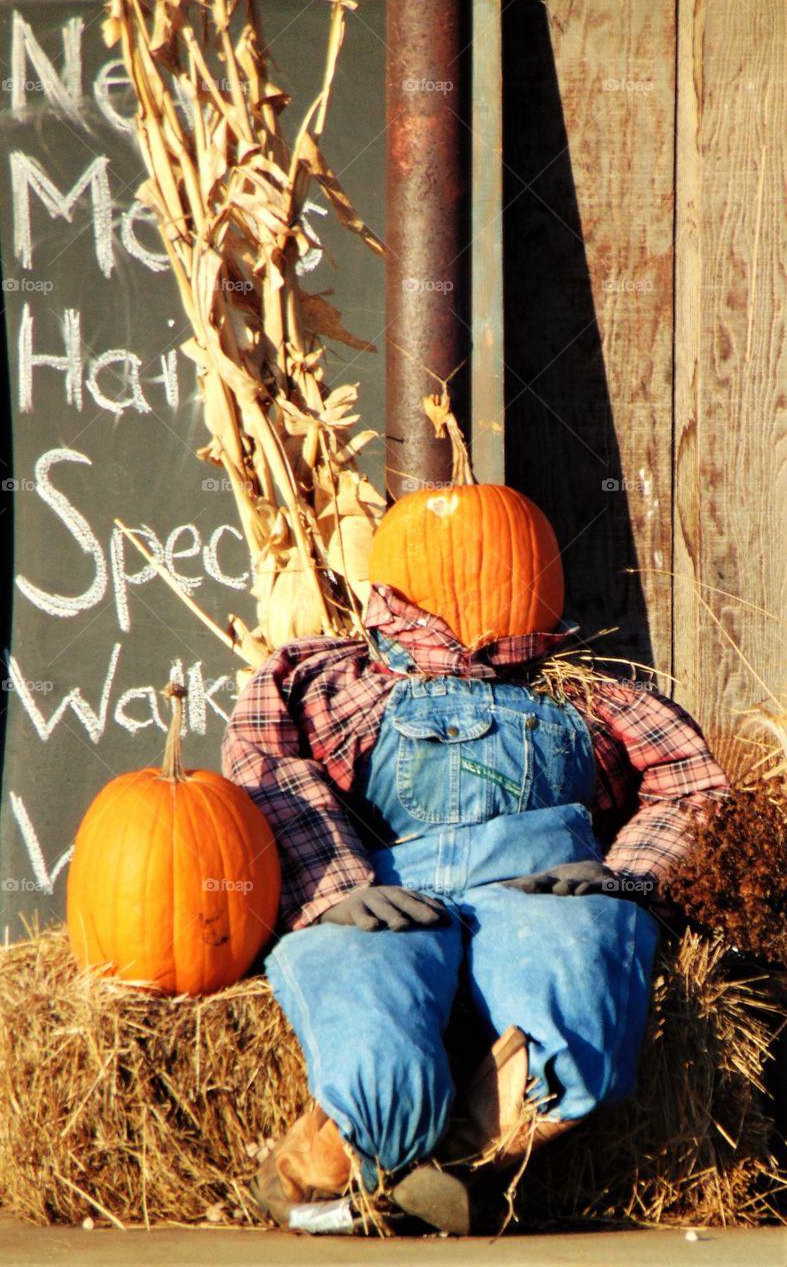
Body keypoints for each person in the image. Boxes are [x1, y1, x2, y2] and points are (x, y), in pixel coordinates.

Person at [221, 492, 728, 1235]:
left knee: (580, 953)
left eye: (507, 554)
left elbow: (689, 785)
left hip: (540, 891)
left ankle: (464, 1164)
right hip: (384, 890)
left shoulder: (594, 695)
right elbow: (262, 769)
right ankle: (340, 1156)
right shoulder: (321, 680)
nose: (481, 579)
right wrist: (334, 889)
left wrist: (623, 876)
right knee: (357, 973)